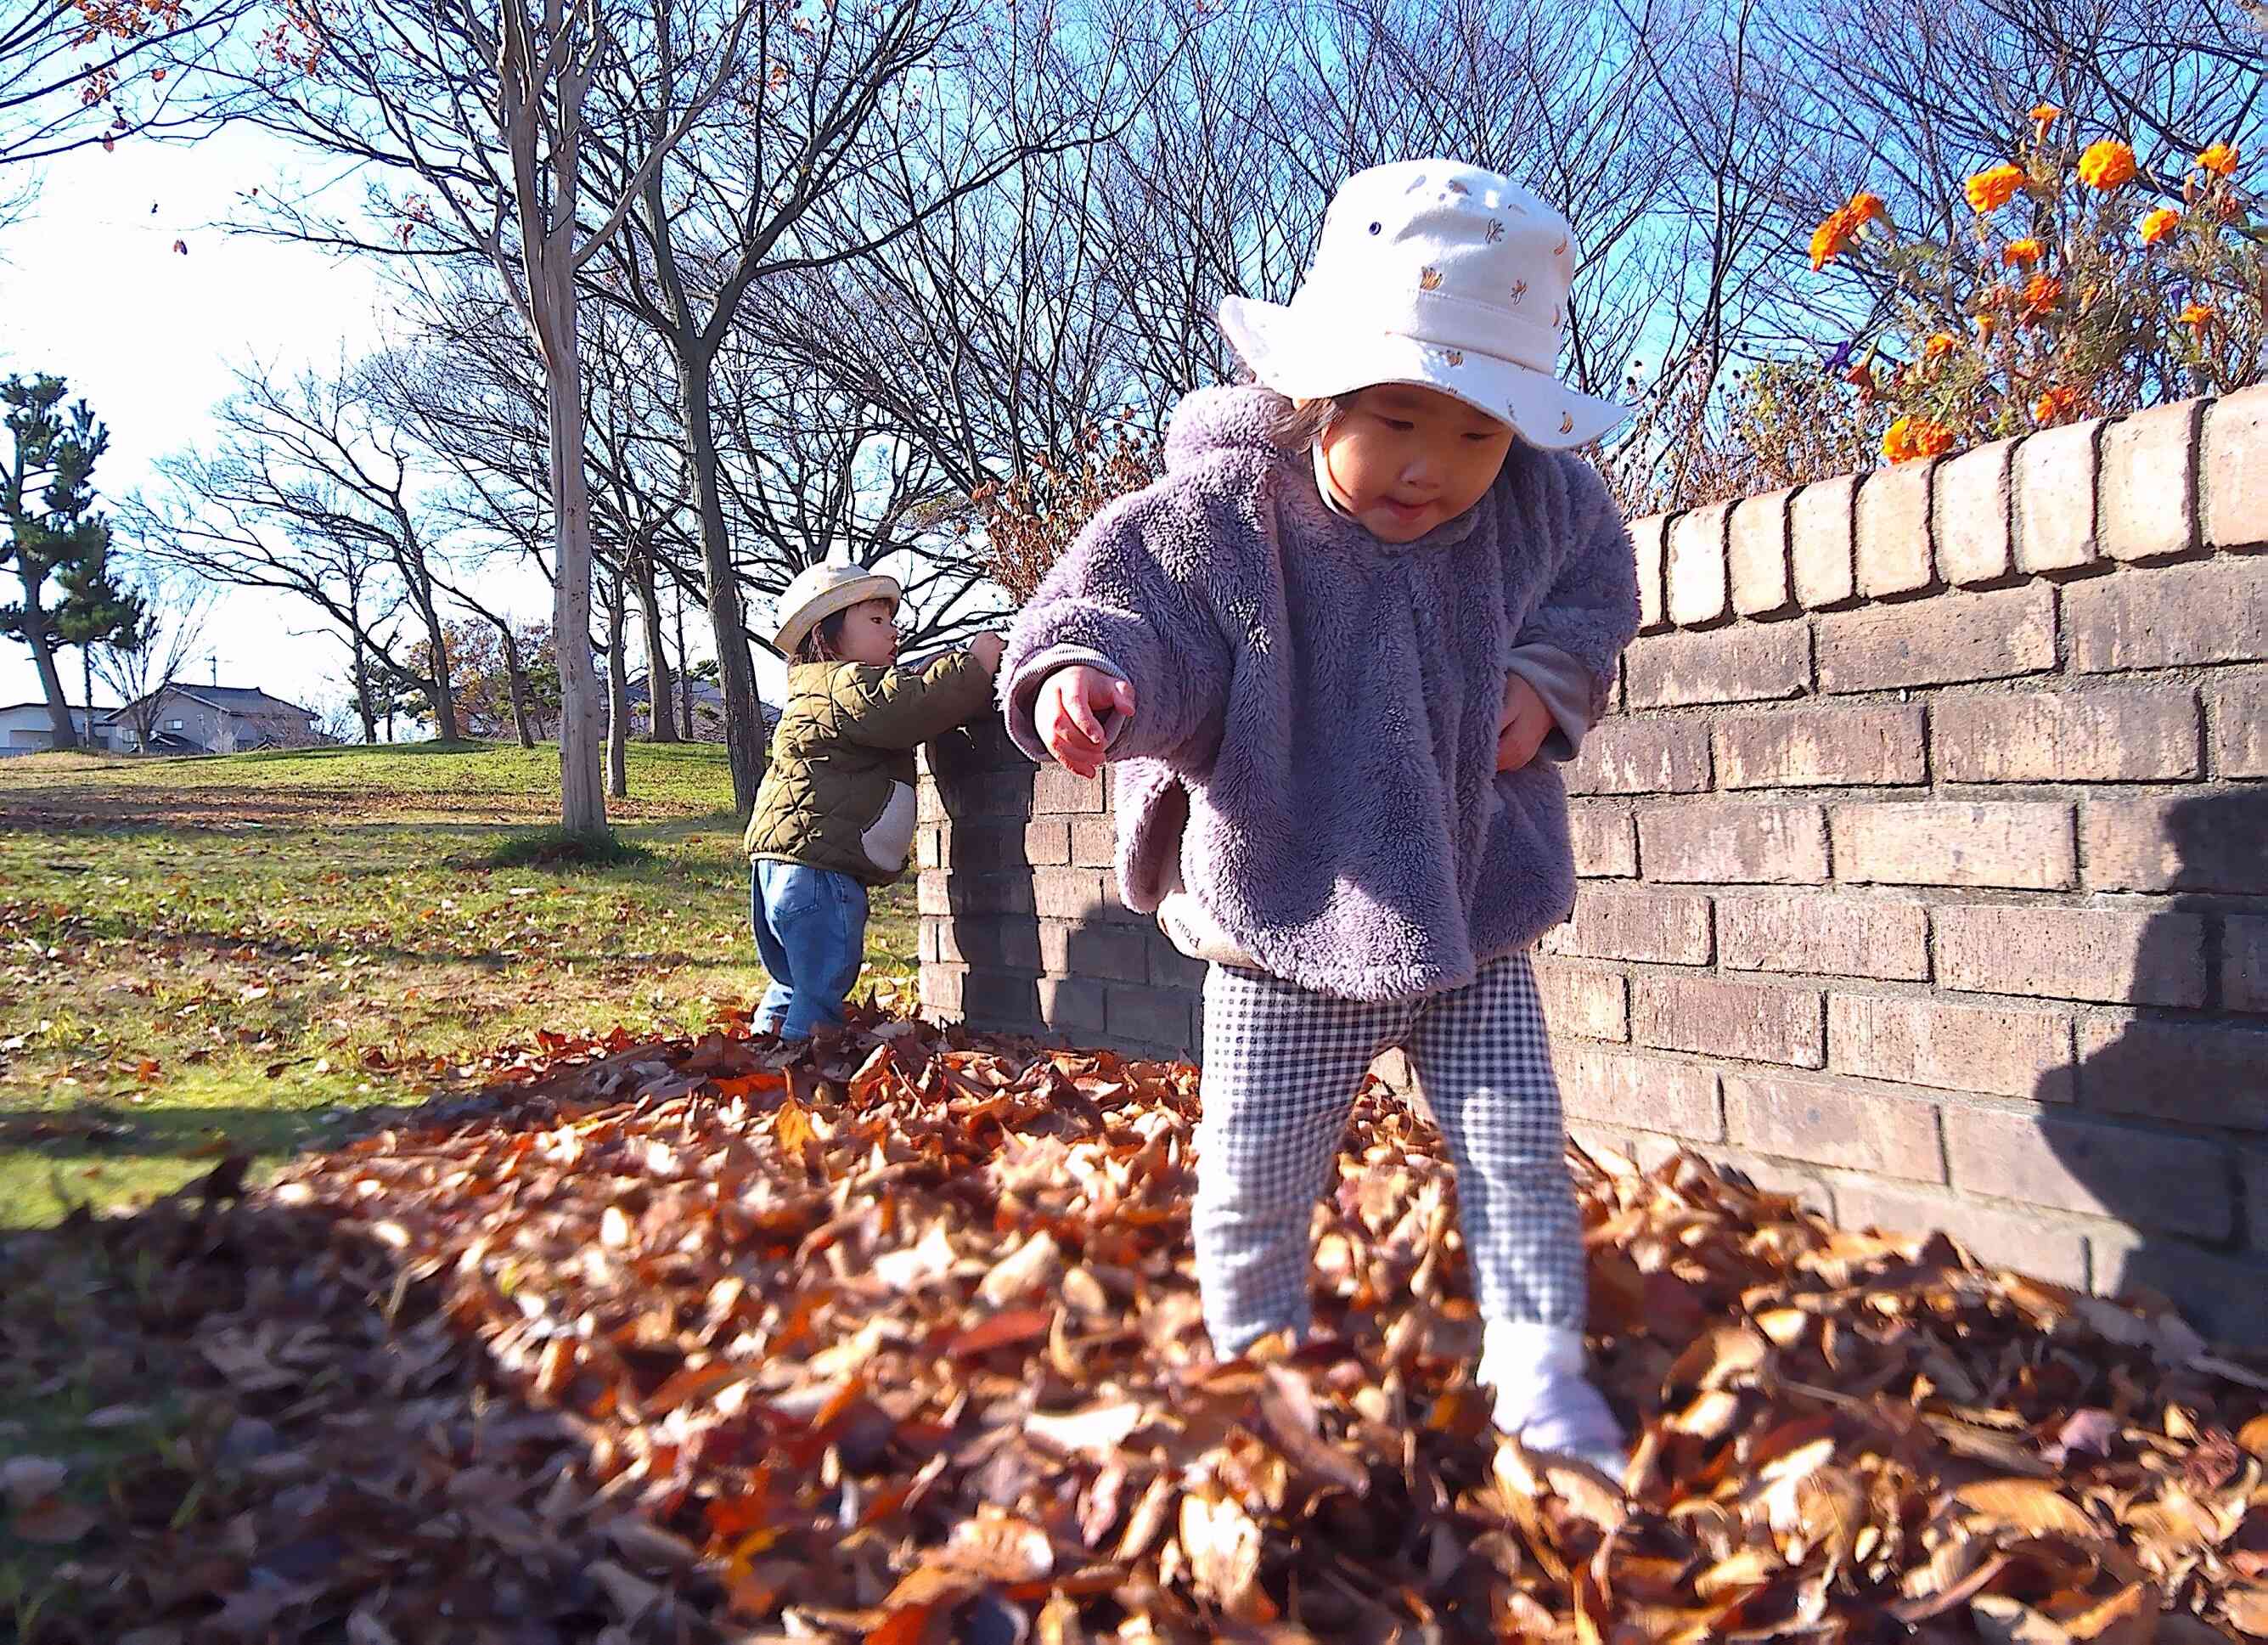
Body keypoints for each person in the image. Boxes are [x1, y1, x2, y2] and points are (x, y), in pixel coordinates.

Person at [998, 160, 1641, 1473]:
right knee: (1256, 1176)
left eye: (1475, 432)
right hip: (1286, 906)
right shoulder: (1230, 516)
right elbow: (1126, 601)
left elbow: (1592, 588)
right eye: (1399, 419)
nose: (1433, 467)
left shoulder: (1537, 505)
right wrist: (1085, 675)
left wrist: (1546, 679)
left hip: (1473, 904)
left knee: (1515, 1143)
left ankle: (1537, 1364)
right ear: (1316, 396)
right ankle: (1256, 1356)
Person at [745, 563, 1004, 1041]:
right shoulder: (845, 683)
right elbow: (911, 707)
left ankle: (765, 1053)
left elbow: (897, 694)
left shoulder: (812, 691)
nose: (894, 631)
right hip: (817, 868)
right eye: (877, 622)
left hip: (776, 864)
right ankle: (806, 1070)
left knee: (794, 981)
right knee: (823, 984)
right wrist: (975, 664)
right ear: (827, 633)